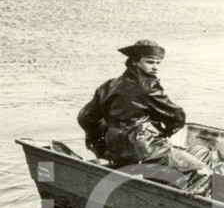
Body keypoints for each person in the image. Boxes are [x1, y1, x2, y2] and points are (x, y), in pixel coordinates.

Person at [78, 39, 213, 194]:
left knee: (202, 152)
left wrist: (102, 143)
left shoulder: (108, 85)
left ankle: (165, 192)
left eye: (158, 63)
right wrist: (164, 133)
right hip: (142, 149)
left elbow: (85, 118)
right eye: (150, 62)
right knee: (203, 172)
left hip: (117, 148)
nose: (155, 67)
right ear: (135, 62)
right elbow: (177, 117)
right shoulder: (148, 86)